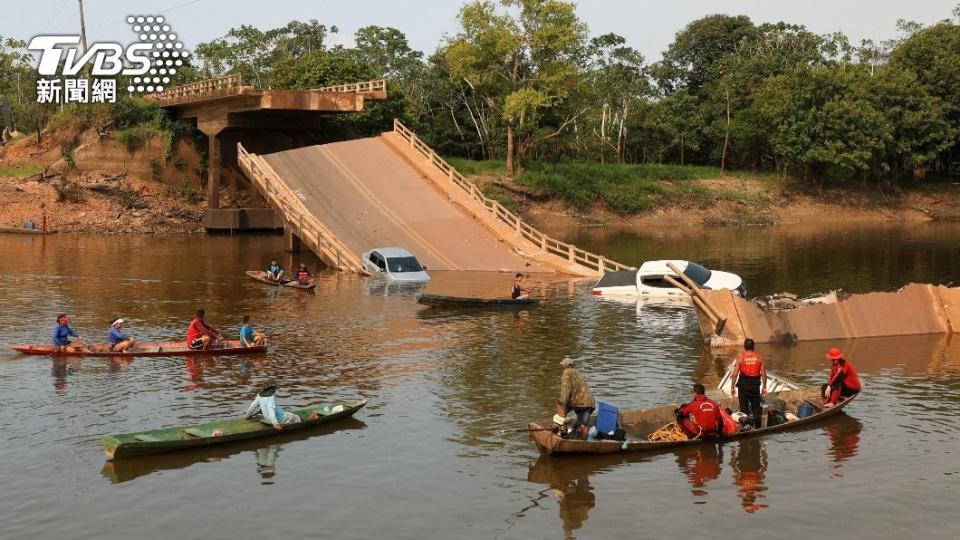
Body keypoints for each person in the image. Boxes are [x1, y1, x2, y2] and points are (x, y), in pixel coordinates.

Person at [243, 379, 318, 431]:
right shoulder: (270, 397)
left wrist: (247, 415)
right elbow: (270, 409)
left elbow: (252, 406)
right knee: (297, 418)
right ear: (272, 388)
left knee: (287, 413)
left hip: (268, 419)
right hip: (282, 419)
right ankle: (312, 418)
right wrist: (275, 424)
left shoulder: (260, 395)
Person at [730, 338, 767, 427]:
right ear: (753, 346)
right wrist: (764, 387)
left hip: (743, 386)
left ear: (745, 347)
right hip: (755, 386)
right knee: (756, 409)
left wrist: (732, 387)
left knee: (743, 409)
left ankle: (745, 428)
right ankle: (758, 427)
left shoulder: (741, 358)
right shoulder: (759, 357)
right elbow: (764, 375)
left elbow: (735, 374)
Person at [557, 357, 596, 439]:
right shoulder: (579, 373)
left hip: (578, 401)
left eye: (563, 365)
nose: (562, 367)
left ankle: (560, 431)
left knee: (560, 410)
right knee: (584, 424)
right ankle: (583, 443)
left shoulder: (566, 372)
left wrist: (561, 403)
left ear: (566, 365)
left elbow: (566, 390)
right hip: (589, 402)